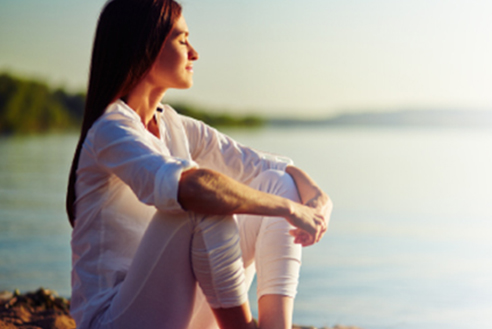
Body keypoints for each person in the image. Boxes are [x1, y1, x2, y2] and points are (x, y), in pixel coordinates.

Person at [66, 0, 333, 328]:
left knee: (279, 185)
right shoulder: (111, 129)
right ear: (145, 47)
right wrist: (287, 210)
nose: (194, 53)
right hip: (115, 319)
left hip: (175, 312)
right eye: (182, 40)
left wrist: (318, 198)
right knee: (201, 200)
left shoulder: (175, 125)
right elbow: (192, 188)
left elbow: (271, 169)